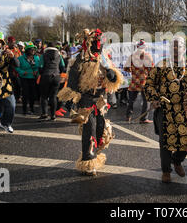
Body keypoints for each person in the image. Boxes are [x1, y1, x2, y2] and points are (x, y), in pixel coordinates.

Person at [57, 28, 123, 176]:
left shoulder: (104, 58)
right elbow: (73, 80)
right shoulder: (80, 59)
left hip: (100, 100)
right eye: (95, 44)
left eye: (100, 44)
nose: (98, 47)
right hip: (86, 100)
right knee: (89, 130)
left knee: (101, 129)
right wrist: (71, 100)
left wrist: (112, 76)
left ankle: (96, 155)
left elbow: (113, 77)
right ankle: (88, 161)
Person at [144, 37, 187, 183]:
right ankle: (166, 171)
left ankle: (177, 161)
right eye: (173, 46)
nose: (176, 49)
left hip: (185, 110)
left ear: (185, 49)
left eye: (179, 46)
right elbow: (149, 84)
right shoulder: (161, 65)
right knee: (165, 142)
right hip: (165, 109)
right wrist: (154, 98)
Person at [124, 39, 154, 123]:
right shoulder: (147, 56)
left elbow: (126, 68)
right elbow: (152, 68)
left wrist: (133, 71)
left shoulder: (132, 56)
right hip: (144, 81)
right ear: (144, 47)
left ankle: (128, 116)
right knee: (146, 100)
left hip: (134, 81)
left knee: (131, 100)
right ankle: (143, 118)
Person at [38, 42, 65, 121]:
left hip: (46, 76)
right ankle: (53, 115)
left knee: (44, 96)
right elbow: (63, 67)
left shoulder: (43, 55)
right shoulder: (59, 55)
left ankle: (44, 114)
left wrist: (43, 72)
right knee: (53, 96)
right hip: (56, 76)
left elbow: (40, 67)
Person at [16, 42, 40, 115]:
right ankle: (24, 110)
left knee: (32, 94)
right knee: (25, 94)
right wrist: (22, 72)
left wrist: (37, 72)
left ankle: (32, 109)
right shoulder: (20, 58)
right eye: (31, 49)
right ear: (27, 50)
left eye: (34, 49)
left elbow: (39, 67)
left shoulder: (36, 58)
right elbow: (16, 67)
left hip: (33, 78)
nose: (33, 51)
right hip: (24, 78)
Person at [6, 36, 22, 103]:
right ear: (8, 42)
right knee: (9, 84)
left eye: (13, 42)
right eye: (11, 42)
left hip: (16, 70)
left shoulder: (17, 50)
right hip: (7, 69)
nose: (12, 43)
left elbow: (20, 59)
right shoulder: (5, 49)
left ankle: (17, 97)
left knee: (18, 85)